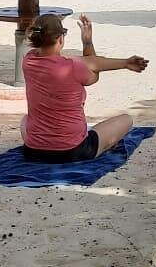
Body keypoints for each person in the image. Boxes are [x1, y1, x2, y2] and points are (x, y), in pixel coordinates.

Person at [20, 13, 148, 163]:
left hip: (33, 151)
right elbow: (94, 74)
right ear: (61, 38)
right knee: (127, 120)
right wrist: (88, 42)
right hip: (74, 150)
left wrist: (125, 63)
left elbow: (67, 60)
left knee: (25, 119)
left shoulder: (28, 60)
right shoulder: (72, 67)